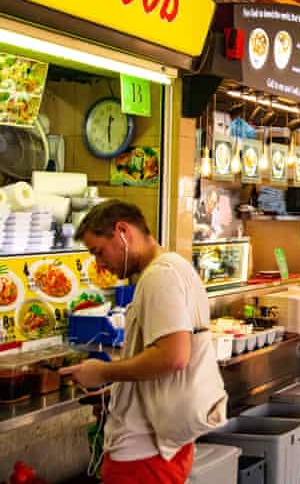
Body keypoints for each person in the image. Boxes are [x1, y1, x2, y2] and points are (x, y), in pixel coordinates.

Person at [59, 200, 226, 483]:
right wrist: (121, 389)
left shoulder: (160, 276)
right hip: (163, 445)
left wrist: (102, 372)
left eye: (99, 252)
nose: (99, 263)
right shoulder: (176, 267)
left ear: (122, 231)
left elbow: (173, 357)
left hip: (143, 452)